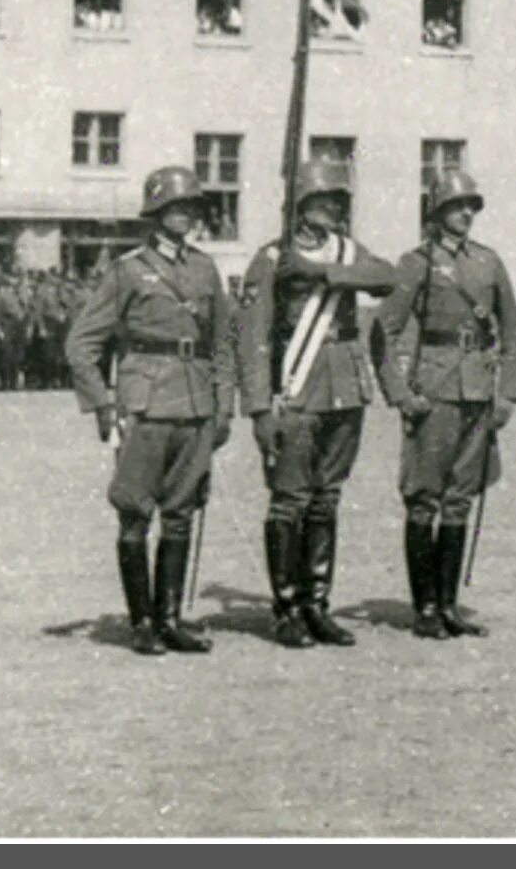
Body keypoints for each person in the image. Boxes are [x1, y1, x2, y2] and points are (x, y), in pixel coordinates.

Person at [66, 166, 236, 656]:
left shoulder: (205, 269)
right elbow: (81, 344)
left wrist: (223, 406)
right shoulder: (129, 270)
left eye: (190, 208)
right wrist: (102, 402)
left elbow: (222, 342)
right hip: (144, 403)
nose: (183, 216)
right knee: (136, 514)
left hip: (195, 401)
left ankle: (170, 618)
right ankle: (142, 622)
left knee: (181, 513)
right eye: (173, 208)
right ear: (156, 214)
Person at [237, 159, 397, 647]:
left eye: (338, 201)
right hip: (297, 389)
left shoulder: (347, 252)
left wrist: (321, 271)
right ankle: (287, 607)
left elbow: (386, 277)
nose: (332, 209)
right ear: (301, 206)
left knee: (327, 497)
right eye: (323, 200)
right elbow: (252, 336)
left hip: (344, 389)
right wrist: (260, 408)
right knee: (290, 499)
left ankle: (317, 605)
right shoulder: (271, 259)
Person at [372, 170, 516, 640]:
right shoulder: (417, 263)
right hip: (433, 390)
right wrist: (400, 393)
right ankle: (425, 609)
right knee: (424, 499)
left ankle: (449, 604)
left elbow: (513, 332)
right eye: (457, 206)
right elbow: (382, 331)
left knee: (459, 500)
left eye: (471, 206)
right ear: (437, 212)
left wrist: (507, 394)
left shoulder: (488, 263)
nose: (466, 214)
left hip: (478, 390)